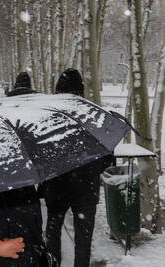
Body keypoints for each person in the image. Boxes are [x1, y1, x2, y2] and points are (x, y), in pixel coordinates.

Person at [42, 68, 113, 267]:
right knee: (84, 238)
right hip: (87, 189)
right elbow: (108, 159)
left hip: (57, 187)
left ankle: (53, 263)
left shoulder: (49, 117)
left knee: (53, 233)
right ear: (82, 89)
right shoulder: (94, 115)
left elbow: (41, 153)